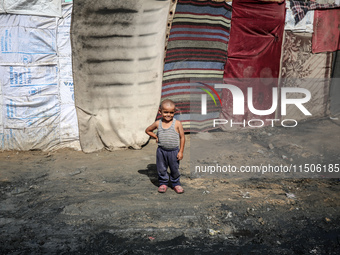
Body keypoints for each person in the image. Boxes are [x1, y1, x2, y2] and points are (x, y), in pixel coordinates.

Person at [145, 99, 185, 194]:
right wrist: (156, 136)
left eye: (171, 112)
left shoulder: (177, 123)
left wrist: (181, 151)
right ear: (160, 112)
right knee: (161, 168)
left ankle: (176, 184)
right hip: (161, 152)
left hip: (174, 152)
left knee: (174, 169)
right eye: (165, 112)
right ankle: (163, 183)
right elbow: (148, 130)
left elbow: (182, 137)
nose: (168, 114)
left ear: (174, 112)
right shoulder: (158, 123)